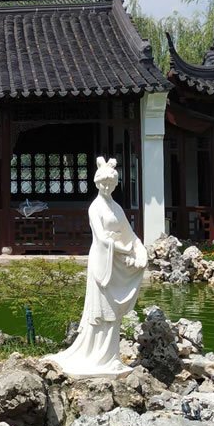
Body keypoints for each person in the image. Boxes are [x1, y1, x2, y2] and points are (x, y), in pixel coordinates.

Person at [48, 156, 147, 376]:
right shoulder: (95, 207)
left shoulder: (116, 207)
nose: (106, 187)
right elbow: (102, 238)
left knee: (114, 312)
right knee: (102, 309)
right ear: (97, 183)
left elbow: (129, 233)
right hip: (103, 260)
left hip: (116, 259)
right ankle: (97, 356)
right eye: (103, 183)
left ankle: (111, 356)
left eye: (110, 184)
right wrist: (126, 250)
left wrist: (140, 250)